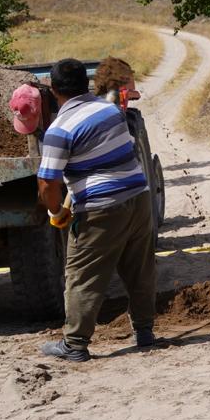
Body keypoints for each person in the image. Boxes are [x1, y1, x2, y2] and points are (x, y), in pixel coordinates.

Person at [35, 58, 157, 362]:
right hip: (139, 197)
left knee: (82, 276)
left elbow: (48, 183)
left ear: (52, 90)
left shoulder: (59, 130)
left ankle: (75, 344)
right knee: (139, 268)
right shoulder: (111, 110)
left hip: (101, 209)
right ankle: (144, 331)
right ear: (86, 84)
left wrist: (55, 213)